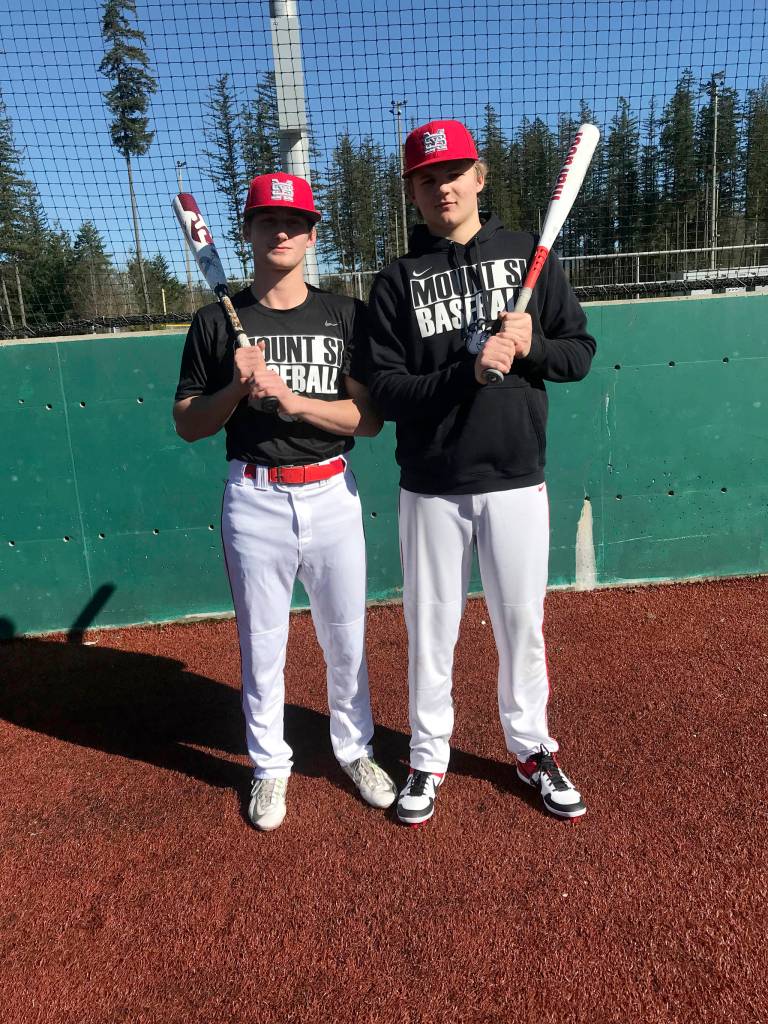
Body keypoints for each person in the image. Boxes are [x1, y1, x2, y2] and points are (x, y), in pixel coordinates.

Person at [366, 120, 596, 825]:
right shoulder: (396, 281)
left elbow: (579, 353)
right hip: (432, 485)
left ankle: (531, 747)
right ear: (413, 191)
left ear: (480, 177)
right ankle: (427, 756)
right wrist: (465, 373)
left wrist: (531, 349)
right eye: (427, 179)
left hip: (516, 477)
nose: (443, 188)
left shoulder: (528, 254)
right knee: (430, 631)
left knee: (523, 627)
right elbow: (386, 391)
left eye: (454, 174)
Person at [173, 172, 396, 831]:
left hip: (331, 493)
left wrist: (294, 401)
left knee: (345, 636)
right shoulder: (214, 322)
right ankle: (270, 765)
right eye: (268, 220)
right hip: (255, 500)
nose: (281, 231)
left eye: (294, 221)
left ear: (311, 234)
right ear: (247, 232)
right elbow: (188, 423)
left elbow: (369, 420)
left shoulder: (344, 314)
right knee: (262, 642)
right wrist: (235, 390)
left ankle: (355, 749)